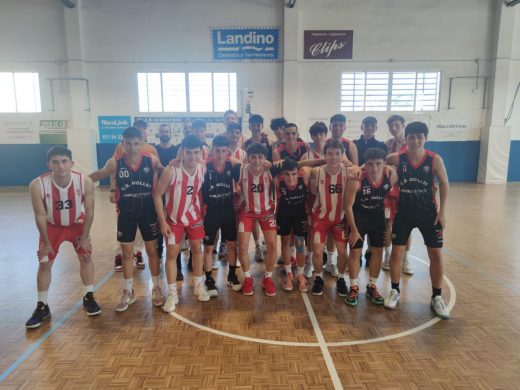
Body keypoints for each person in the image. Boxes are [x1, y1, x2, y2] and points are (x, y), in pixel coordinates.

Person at [25, 146, 100, 329]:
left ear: (72, 163)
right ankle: (42, 306)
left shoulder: (85, 181)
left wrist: (85, 236)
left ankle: (88, 296)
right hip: (51, 226)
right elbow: (40, 216)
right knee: (45, 262)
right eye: (55, 162)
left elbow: (89, 210)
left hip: (76, 224)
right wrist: (45, 242)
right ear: (49, 164)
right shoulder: (37, 184)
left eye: (64, 161)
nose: (61, 166)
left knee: (86, 256)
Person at [90, 127, 163, 312]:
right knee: (127, 254)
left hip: (148, 212)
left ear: (142, 143)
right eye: (128, 143)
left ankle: (156, 288)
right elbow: (99, 174)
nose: (132, 147)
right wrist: (74, 179)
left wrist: (179, 164)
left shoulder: (151, 160)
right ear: (122, 144)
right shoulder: (115, 162)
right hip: (126, 214)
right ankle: (128, 291)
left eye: (136, 143)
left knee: (152, 251)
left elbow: (167, 171)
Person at [383, 122, 450, 319]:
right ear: (407, 139)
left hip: (428, 212)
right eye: (411, 137)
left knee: (436, 254)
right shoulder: (398, 158)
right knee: (397, 252)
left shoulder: (434, 160)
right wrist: (386, 169)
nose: (415, 140)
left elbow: (445, 183)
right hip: (404, 211)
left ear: (425, 138)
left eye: (419, 136)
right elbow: (382, 160)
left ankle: (436, 297)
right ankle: (395, 290)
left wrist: (443, 212)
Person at [153, 134, 208, 312]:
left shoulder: (202, 168)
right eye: (189, 153)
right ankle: (172, 293)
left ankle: (199, 286)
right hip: (174, 219)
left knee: (197, 249)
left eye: (196, 153)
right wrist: (162, 221)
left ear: (201, 153)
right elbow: (156, 194)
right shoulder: (171, 170)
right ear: (182, 152)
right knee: (172, 253)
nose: (193, 157)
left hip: (193, 216)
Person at [344, 148, 396, 306]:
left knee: (378, 251)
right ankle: (353, 287)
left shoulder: (391, 176)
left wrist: (391, 168)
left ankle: (372, 285)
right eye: (370, 164)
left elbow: (396, 163)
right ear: (364, 165)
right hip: (358, 217)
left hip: (377, 216)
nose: (374, 168)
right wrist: (353, 230)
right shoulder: (356, 179)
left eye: (379, 164)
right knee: (355, 251)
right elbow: (347, 207)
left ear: (384, 164)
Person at [111, 119, 159, 272]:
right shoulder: (120, 148)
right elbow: (112, 170)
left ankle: (138, 254)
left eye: (143, 128)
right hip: (126, 199)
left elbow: (160, 171)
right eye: (138, 127)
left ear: (145, 134)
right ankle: (119, 255)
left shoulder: (151, 151)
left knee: (145, 238)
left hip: (146, 202)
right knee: (125, 235)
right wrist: (112, 190)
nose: (132, 147)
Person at [234, 143, 280, 296]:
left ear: (265, 158)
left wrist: (273, 164)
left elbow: (292, 167)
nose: (257, 160)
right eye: (253, 157)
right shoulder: (240, 169)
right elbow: (225, 159)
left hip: (266, 212)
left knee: (273, 245)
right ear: (247, 157)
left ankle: (267, 278)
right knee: (242, 246)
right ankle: (247, 278)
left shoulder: (271, 169)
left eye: (260, 157)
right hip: (247, 212)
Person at [201, 135, 243, 296]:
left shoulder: (231, 165)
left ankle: (232, 275)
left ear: (228, 152)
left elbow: (246, 169)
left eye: (223, 151)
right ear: (212, 150)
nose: (220, 155)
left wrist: (241, 196)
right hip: (210, 211)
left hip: (227, 210)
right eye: (217, 151)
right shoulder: (205, 166)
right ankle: (209, 279)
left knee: (232, 245)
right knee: (209, 248)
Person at [310, 140, 351, 296]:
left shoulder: (349, 172)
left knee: (342, 251)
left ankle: (341, 279)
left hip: (340, 219)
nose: (333, 157)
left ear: (342, 155)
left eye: (337, 154)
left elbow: (362, 169)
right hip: (320, 218)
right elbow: (313, 192)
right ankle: (319, 278)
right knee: (318, 252)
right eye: (330, 153)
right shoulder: (316, 172)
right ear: (324, 155)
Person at [325, 114, 358, 276]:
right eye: (335, 125)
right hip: (326, 190)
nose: (337, 128)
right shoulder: (325, 144)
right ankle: (330, 261)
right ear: (330, 126)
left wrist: (344, 161)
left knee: (341, 230)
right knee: (330, 230)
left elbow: (356, 167)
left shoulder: (349, 145)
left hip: (344, 192)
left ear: (344, 127)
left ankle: (343, 266)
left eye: (340, 125)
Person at [275, 158, 312, 292]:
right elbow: (266, 166)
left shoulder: (305, 176)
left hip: (299, 214)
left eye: (294, 174)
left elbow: (313, 164)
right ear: (282, 174)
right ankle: (289, 272)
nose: (291, 178)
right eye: (287, 174)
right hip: (284, 213)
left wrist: (299, 163)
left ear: (298, 173)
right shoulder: (277, 180)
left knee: (300, 244)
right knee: (285, 242)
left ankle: (300, 273)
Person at [382, 115, 413, 274]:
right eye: (391, 126)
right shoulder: (388, 144)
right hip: (389, 191)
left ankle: (406, 258)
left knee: (405, 225)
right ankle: (387, 256)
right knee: (387, 223)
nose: (394, 128)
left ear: (403, 125)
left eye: (396, 125)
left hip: (406, 189)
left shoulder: (411, 144)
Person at [242, 114, 274, 260]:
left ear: (262, 125)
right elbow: (242, 160)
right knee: (252, 217)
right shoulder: (246, 143)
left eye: (258, 124)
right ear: (250, 126)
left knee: (263, 210)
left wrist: (269, 164)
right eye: (253, 124)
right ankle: (258, 245)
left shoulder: (269, 140)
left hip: (265, 177)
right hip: (250, 180)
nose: (256, 127)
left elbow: (274, 159)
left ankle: (266, 243)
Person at [155, 124, 184, 279]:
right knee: (161, 230)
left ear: (171, 133)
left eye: (167, 131)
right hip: (159, 193)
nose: (165, 133)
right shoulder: (154, 151)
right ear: (158, 133)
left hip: (174, 195)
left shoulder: (176, 150)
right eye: (162, 131)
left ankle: (178, 268)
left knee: (174, 236)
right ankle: (159, 260)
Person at [300, 121, 329, 278]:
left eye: (321, 134)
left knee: (331, 231)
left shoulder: (333, 152)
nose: (319, 137)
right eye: (315, 134)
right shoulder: (307, 155)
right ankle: (310, 261)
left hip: (331, 199)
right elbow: (301, 170)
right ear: (311, 136)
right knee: (312, 232)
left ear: (326, 135)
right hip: (313, 199)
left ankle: (330, 261)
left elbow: (348, 165)